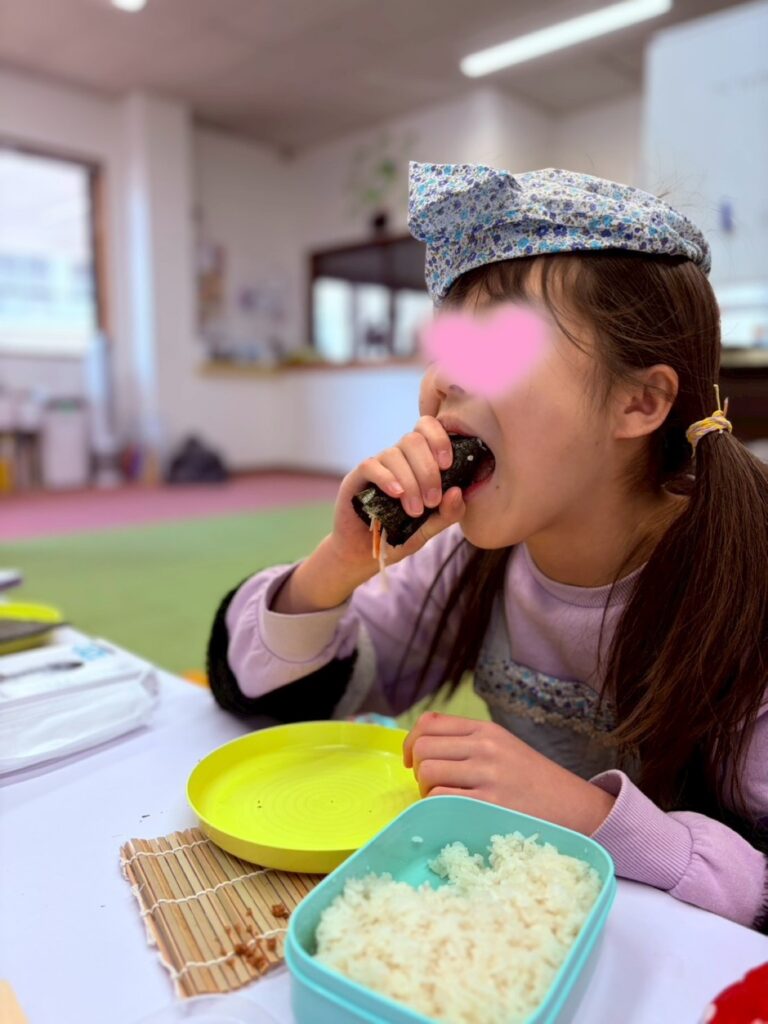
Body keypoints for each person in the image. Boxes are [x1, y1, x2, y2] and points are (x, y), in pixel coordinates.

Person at [207, 162, 768, 932]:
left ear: (640, 401)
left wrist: (590, 814)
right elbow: (283, 696)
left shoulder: (742, 586)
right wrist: (339, 564)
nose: (440, 383)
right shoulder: (470, 556)